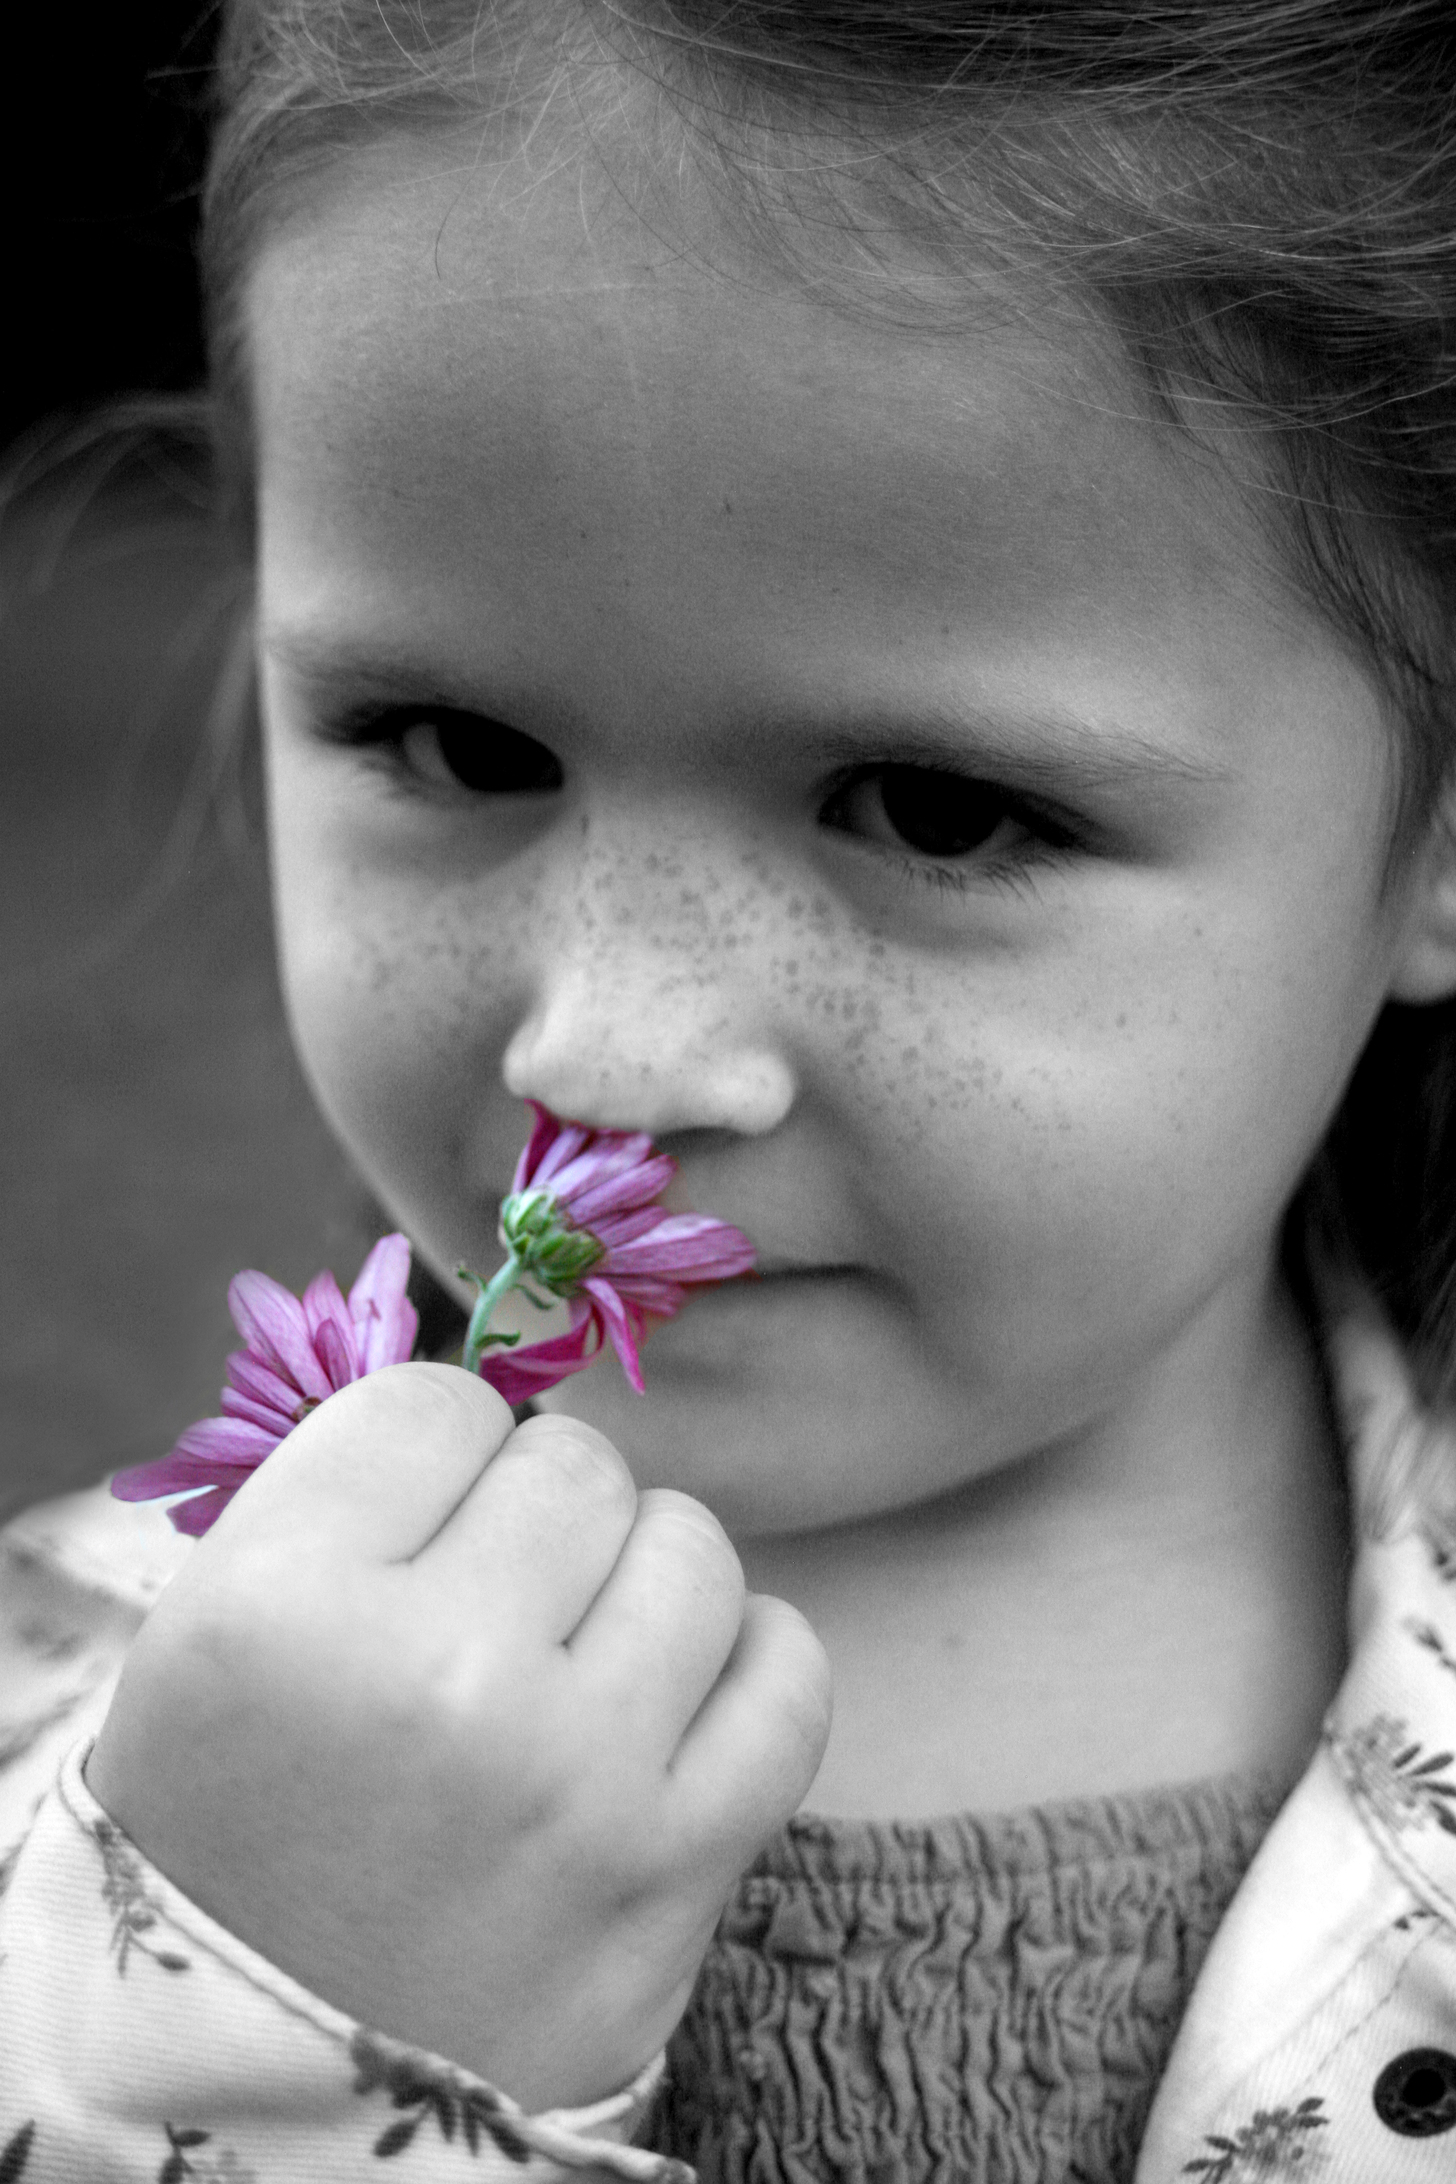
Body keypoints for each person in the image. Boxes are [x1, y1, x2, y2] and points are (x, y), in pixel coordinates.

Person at [4, 2, 1456, 2177]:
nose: (602, 1047)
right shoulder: (87, 1777)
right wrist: (252, 2047)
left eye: (933, 813)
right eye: (460, 746)